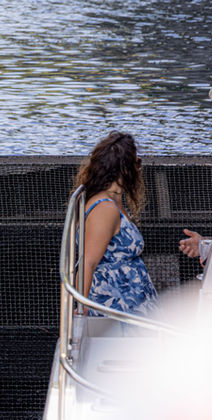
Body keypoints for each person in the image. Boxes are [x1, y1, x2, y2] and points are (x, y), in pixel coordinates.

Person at [76, 131, 158, 316]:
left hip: (130, 306)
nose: (139, 169)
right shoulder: (105, 208)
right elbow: (88, 262)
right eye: (137, 163)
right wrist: (81, 309)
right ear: (126, 169)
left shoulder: (115, 202)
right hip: (116, 307)